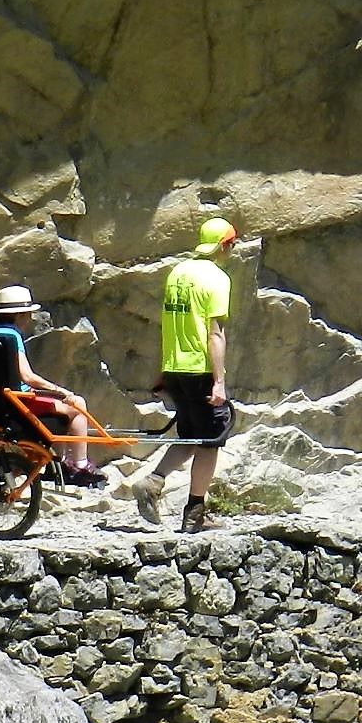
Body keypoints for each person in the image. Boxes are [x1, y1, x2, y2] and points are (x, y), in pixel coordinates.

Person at [134, 216, 240, 535]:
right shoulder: (217, 279)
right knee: (210, 441)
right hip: (199, 369)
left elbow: (169, 325)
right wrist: (219, 381)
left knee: (190, 435)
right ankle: (195, 513)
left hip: (175, 368)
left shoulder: (177, 274)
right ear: (223, 245)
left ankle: (153, 482)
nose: (232, 251)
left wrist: (162, 372)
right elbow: (214, 334)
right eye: (232, 245)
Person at [0, 285, 104, 486]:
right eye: (28, 314)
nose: (30, 319)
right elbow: (27, 376)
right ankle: (79, 465)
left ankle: (61, 461)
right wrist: (60, 390)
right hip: (20, 404)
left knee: (61, 407)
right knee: (77, 405)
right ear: (19, 315)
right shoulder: (11, 337)